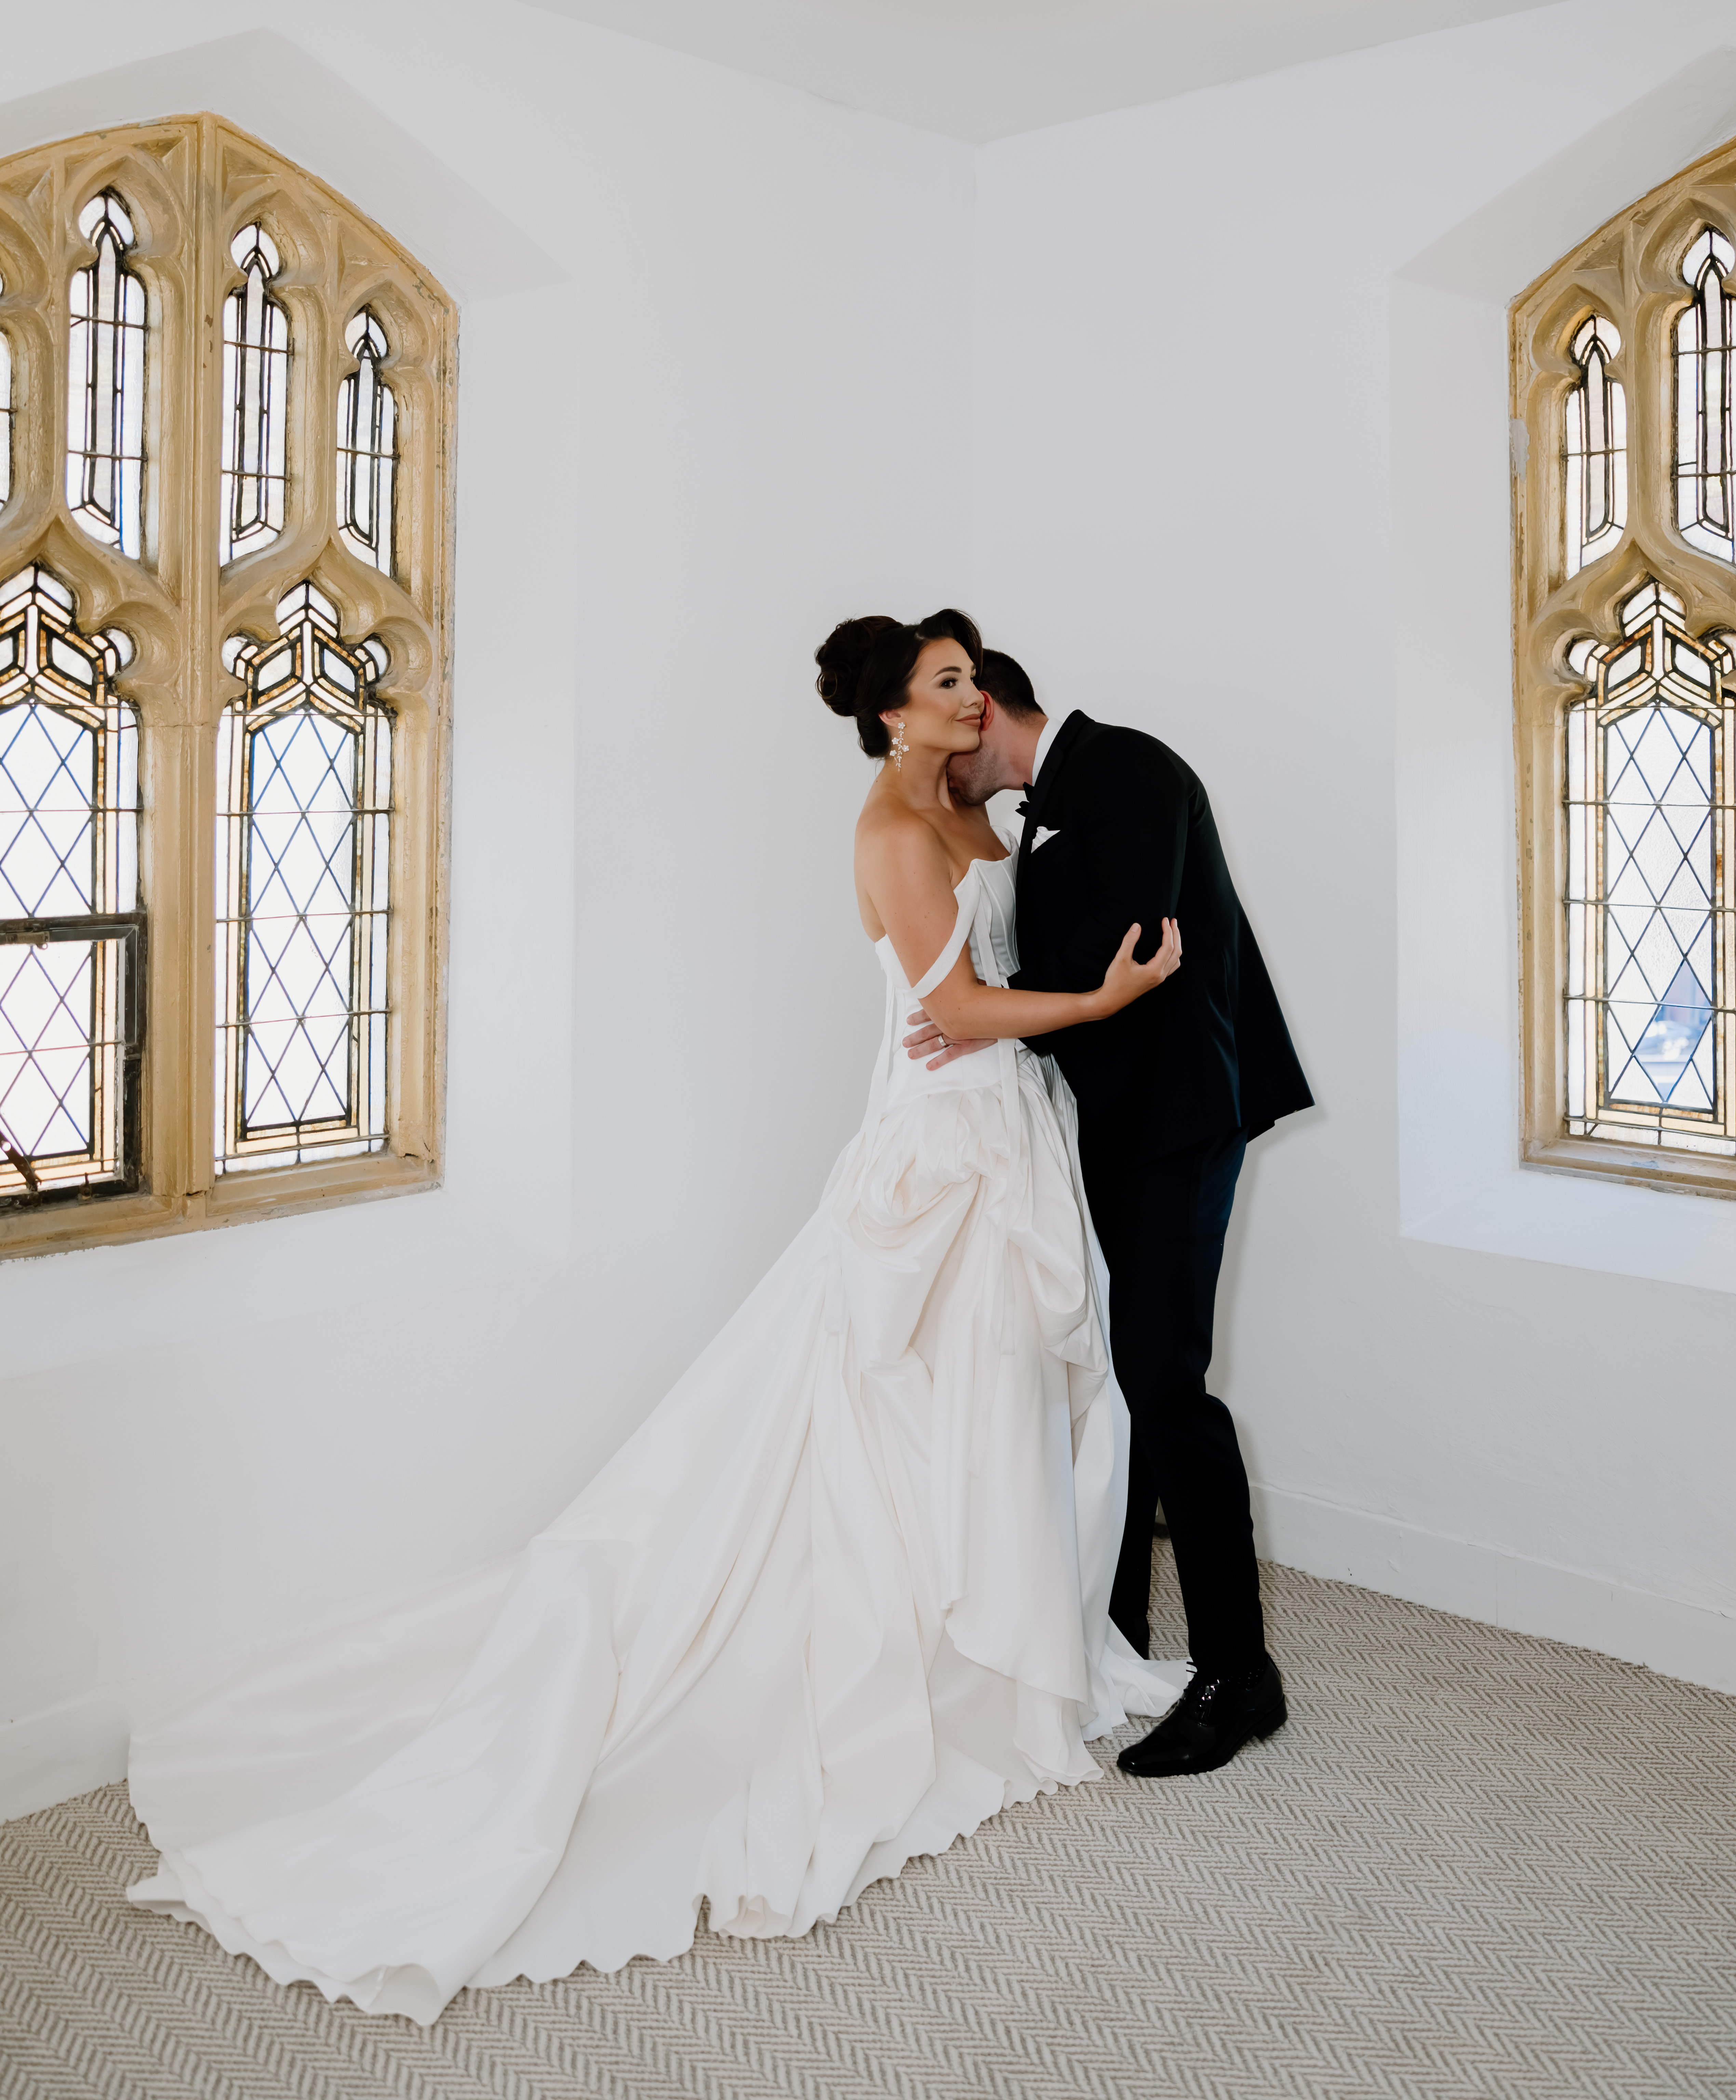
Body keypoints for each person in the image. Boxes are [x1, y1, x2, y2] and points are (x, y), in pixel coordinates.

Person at [123, 608, 1185, 2025]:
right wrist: (1102, 999)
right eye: (946, 683)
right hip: (945, 1148)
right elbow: (965, 1012)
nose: (972, 696)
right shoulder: (890, 827)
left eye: (971, 678)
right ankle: (904, 1669)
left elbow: (991, 975)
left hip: (1006, 1134)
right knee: (898, 1404)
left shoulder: (968, 804)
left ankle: (997, 1646)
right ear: (890, 714)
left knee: (988, 1401)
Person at [918, 652, 1313, 1778]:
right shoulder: (1053, 797)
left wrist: (985, 1012)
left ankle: (1239, 1674)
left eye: (949, 739)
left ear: (982, 712)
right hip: (1113, 1119)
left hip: (1180, 1115)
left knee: (1165, 1380)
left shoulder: (1128, 766)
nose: (943, 771)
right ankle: (1121, 1632)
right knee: (1116, 1373)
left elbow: (1131, 952)